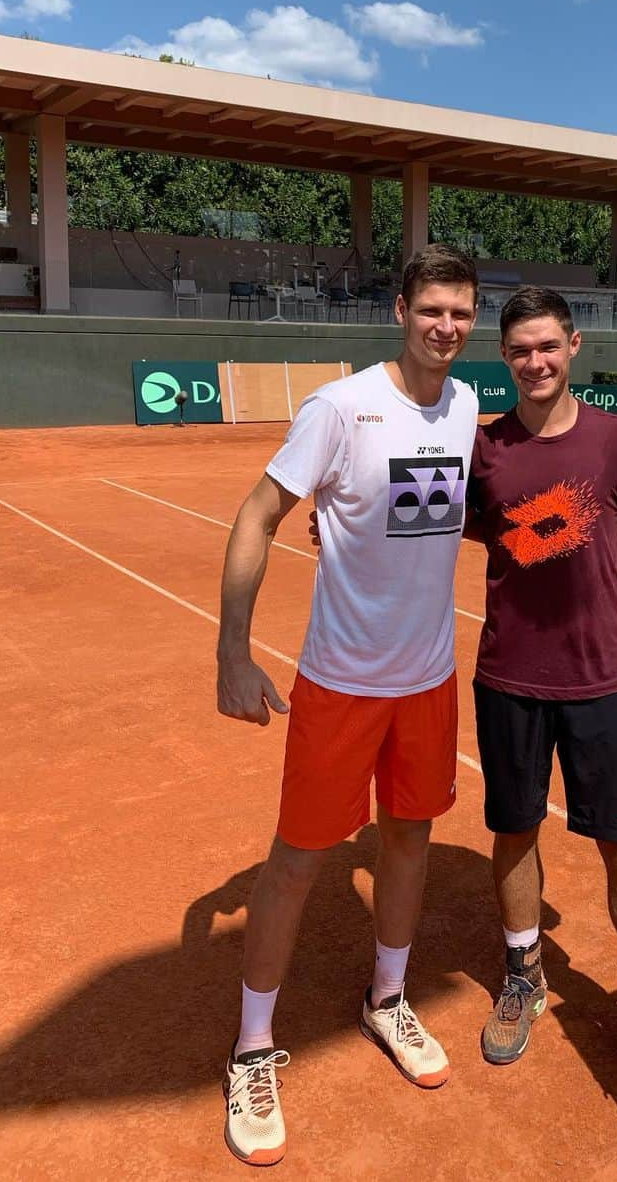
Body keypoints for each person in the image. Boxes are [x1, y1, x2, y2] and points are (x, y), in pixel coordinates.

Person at [215, 243, 479, 1166]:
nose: (445, 327)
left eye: (460, 312)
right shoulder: (340, 407)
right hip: (340, 684)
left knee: (409, 838)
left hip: (429, 682)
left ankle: (388, 998)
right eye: (431, 309)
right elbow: (257, 514)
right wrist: (232, 651)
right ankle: (253, 1046)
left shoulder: (467, 404)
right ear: (400, 309)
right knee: (298, 862)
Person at [466, 286, 617, 1116]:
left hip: (606, 684)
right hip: (508, 681)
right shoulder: (483, 448)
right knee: (514, 830)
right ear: (506, 355)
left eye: (549, 346)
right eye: (521, 350)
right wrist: (341, 523)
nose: (536, 362)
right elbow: (426, 525)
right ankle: (524, 973)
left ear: (575, 344)